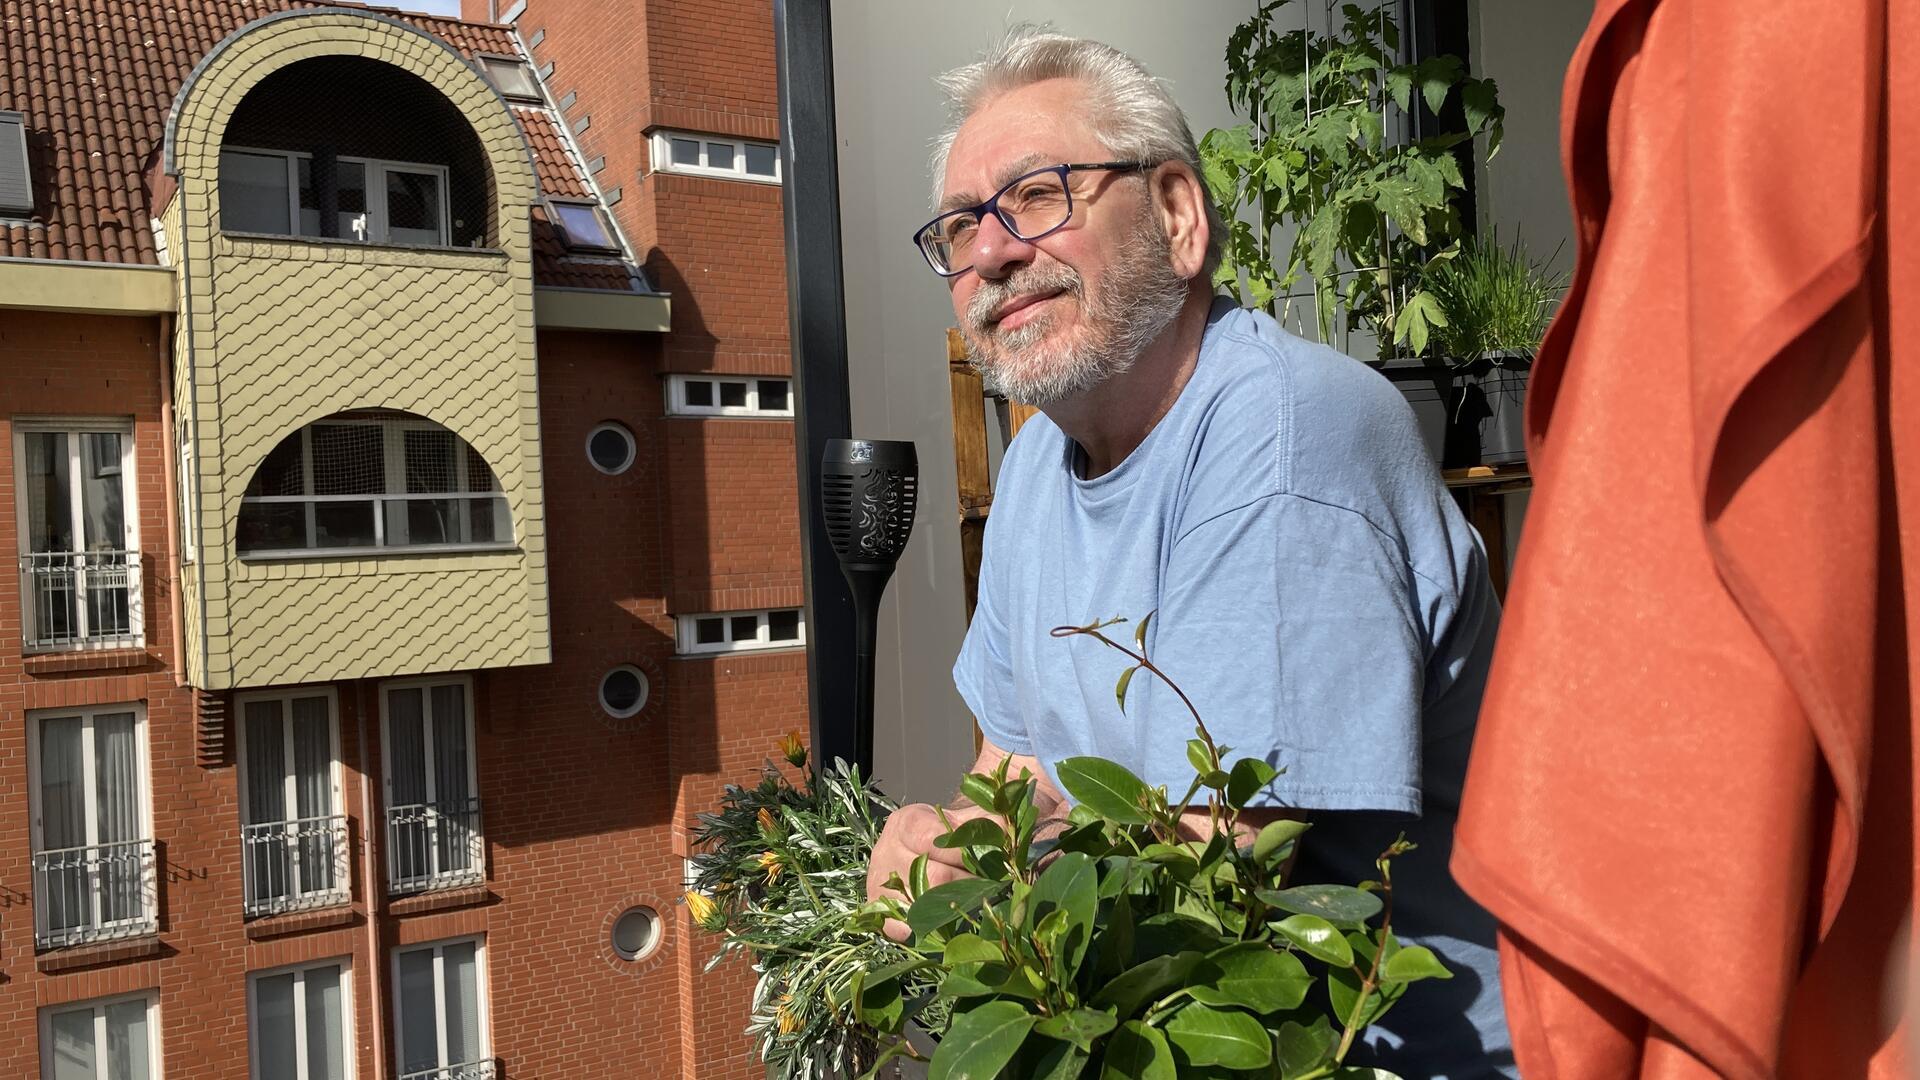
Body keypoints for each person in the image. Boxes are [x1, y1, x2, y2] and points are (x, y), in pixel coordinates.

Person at [867, 28, 1512, 1078]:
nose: (990, 252)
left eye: (1038, 195)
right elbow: (1017, 768)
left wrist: (980, 896)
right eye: (958, 226)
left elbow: (1216, 875)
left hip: (1415, 1053)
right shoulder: (1037, 468)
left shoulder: (1284, 431)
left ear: (1177, 214)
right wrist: (936, 845)